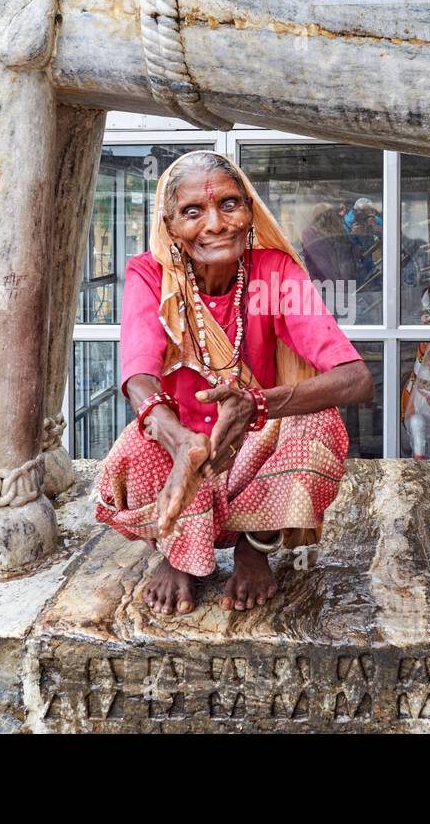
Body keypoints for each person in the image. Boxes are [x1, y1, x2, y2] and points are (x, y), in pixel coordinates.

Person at [94, 150, 375, 615]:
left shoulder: (275, 272)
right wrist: (180, 440)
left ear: (249, 212)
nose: (216, 224)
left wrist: (258, 406)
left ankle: (253, 546)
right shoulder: (149, 272)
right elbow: (138, 371)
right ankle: (179, 552)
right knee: (134, 448)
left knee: (319, 425)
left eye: (228, 205)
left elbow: (356, 379)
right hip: (181, 464)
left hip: (253, 457)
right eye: (192, 211)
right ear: (169, 227)